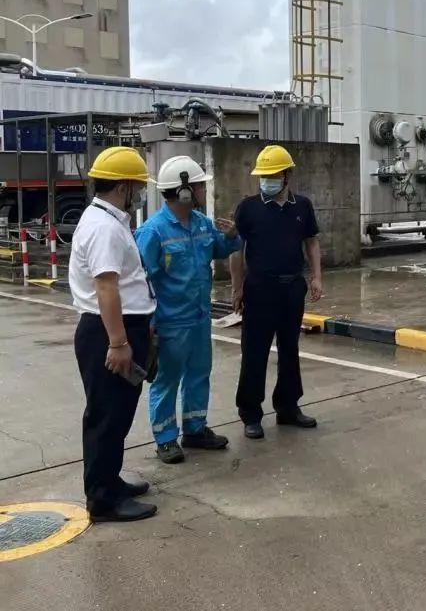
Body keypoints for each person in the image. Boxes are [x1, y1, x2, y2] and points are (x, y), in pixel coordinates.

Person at [135, 156, 243, 465]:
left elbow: (220, 249)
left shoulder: (201, 223)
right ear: (184, 191)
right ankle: (166, 438)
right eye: (199, 186)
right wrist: (149, 322)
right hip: (170, 322)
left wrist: (232, 236)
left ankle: (195, 429)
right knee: (167, 380)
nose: (203, 191)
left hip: (199, 317)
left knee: (199, 374)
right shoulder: (153, 232)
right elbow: (141, 281)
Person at [69, 146, 157, 523]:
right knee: (106, 417)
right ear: (123, 187)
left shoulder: (107, 219)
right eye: (138, 186)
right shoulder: (104, 227)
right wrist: (118, 342)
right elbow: (106, 286)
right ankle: (103, 500)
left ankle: (110, 480)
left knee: (117, 415)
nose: (140, 193)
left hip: (117, 326)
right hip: (107, 331)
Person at [230, 145, 323, 439]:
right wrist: (237, 287)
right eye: (264, 176)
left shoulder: (302, 206)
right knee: (254, 352)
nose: (267, 181)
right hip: (259, 288)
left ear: (287, 175)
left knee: (289, 349)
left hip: (292, 288)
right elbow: (236, 249)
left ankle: (288, 406)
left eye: (273, 175)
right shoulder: (248, 208)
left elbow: (311, 242)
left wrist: (316, 277)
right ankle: (250, 414)